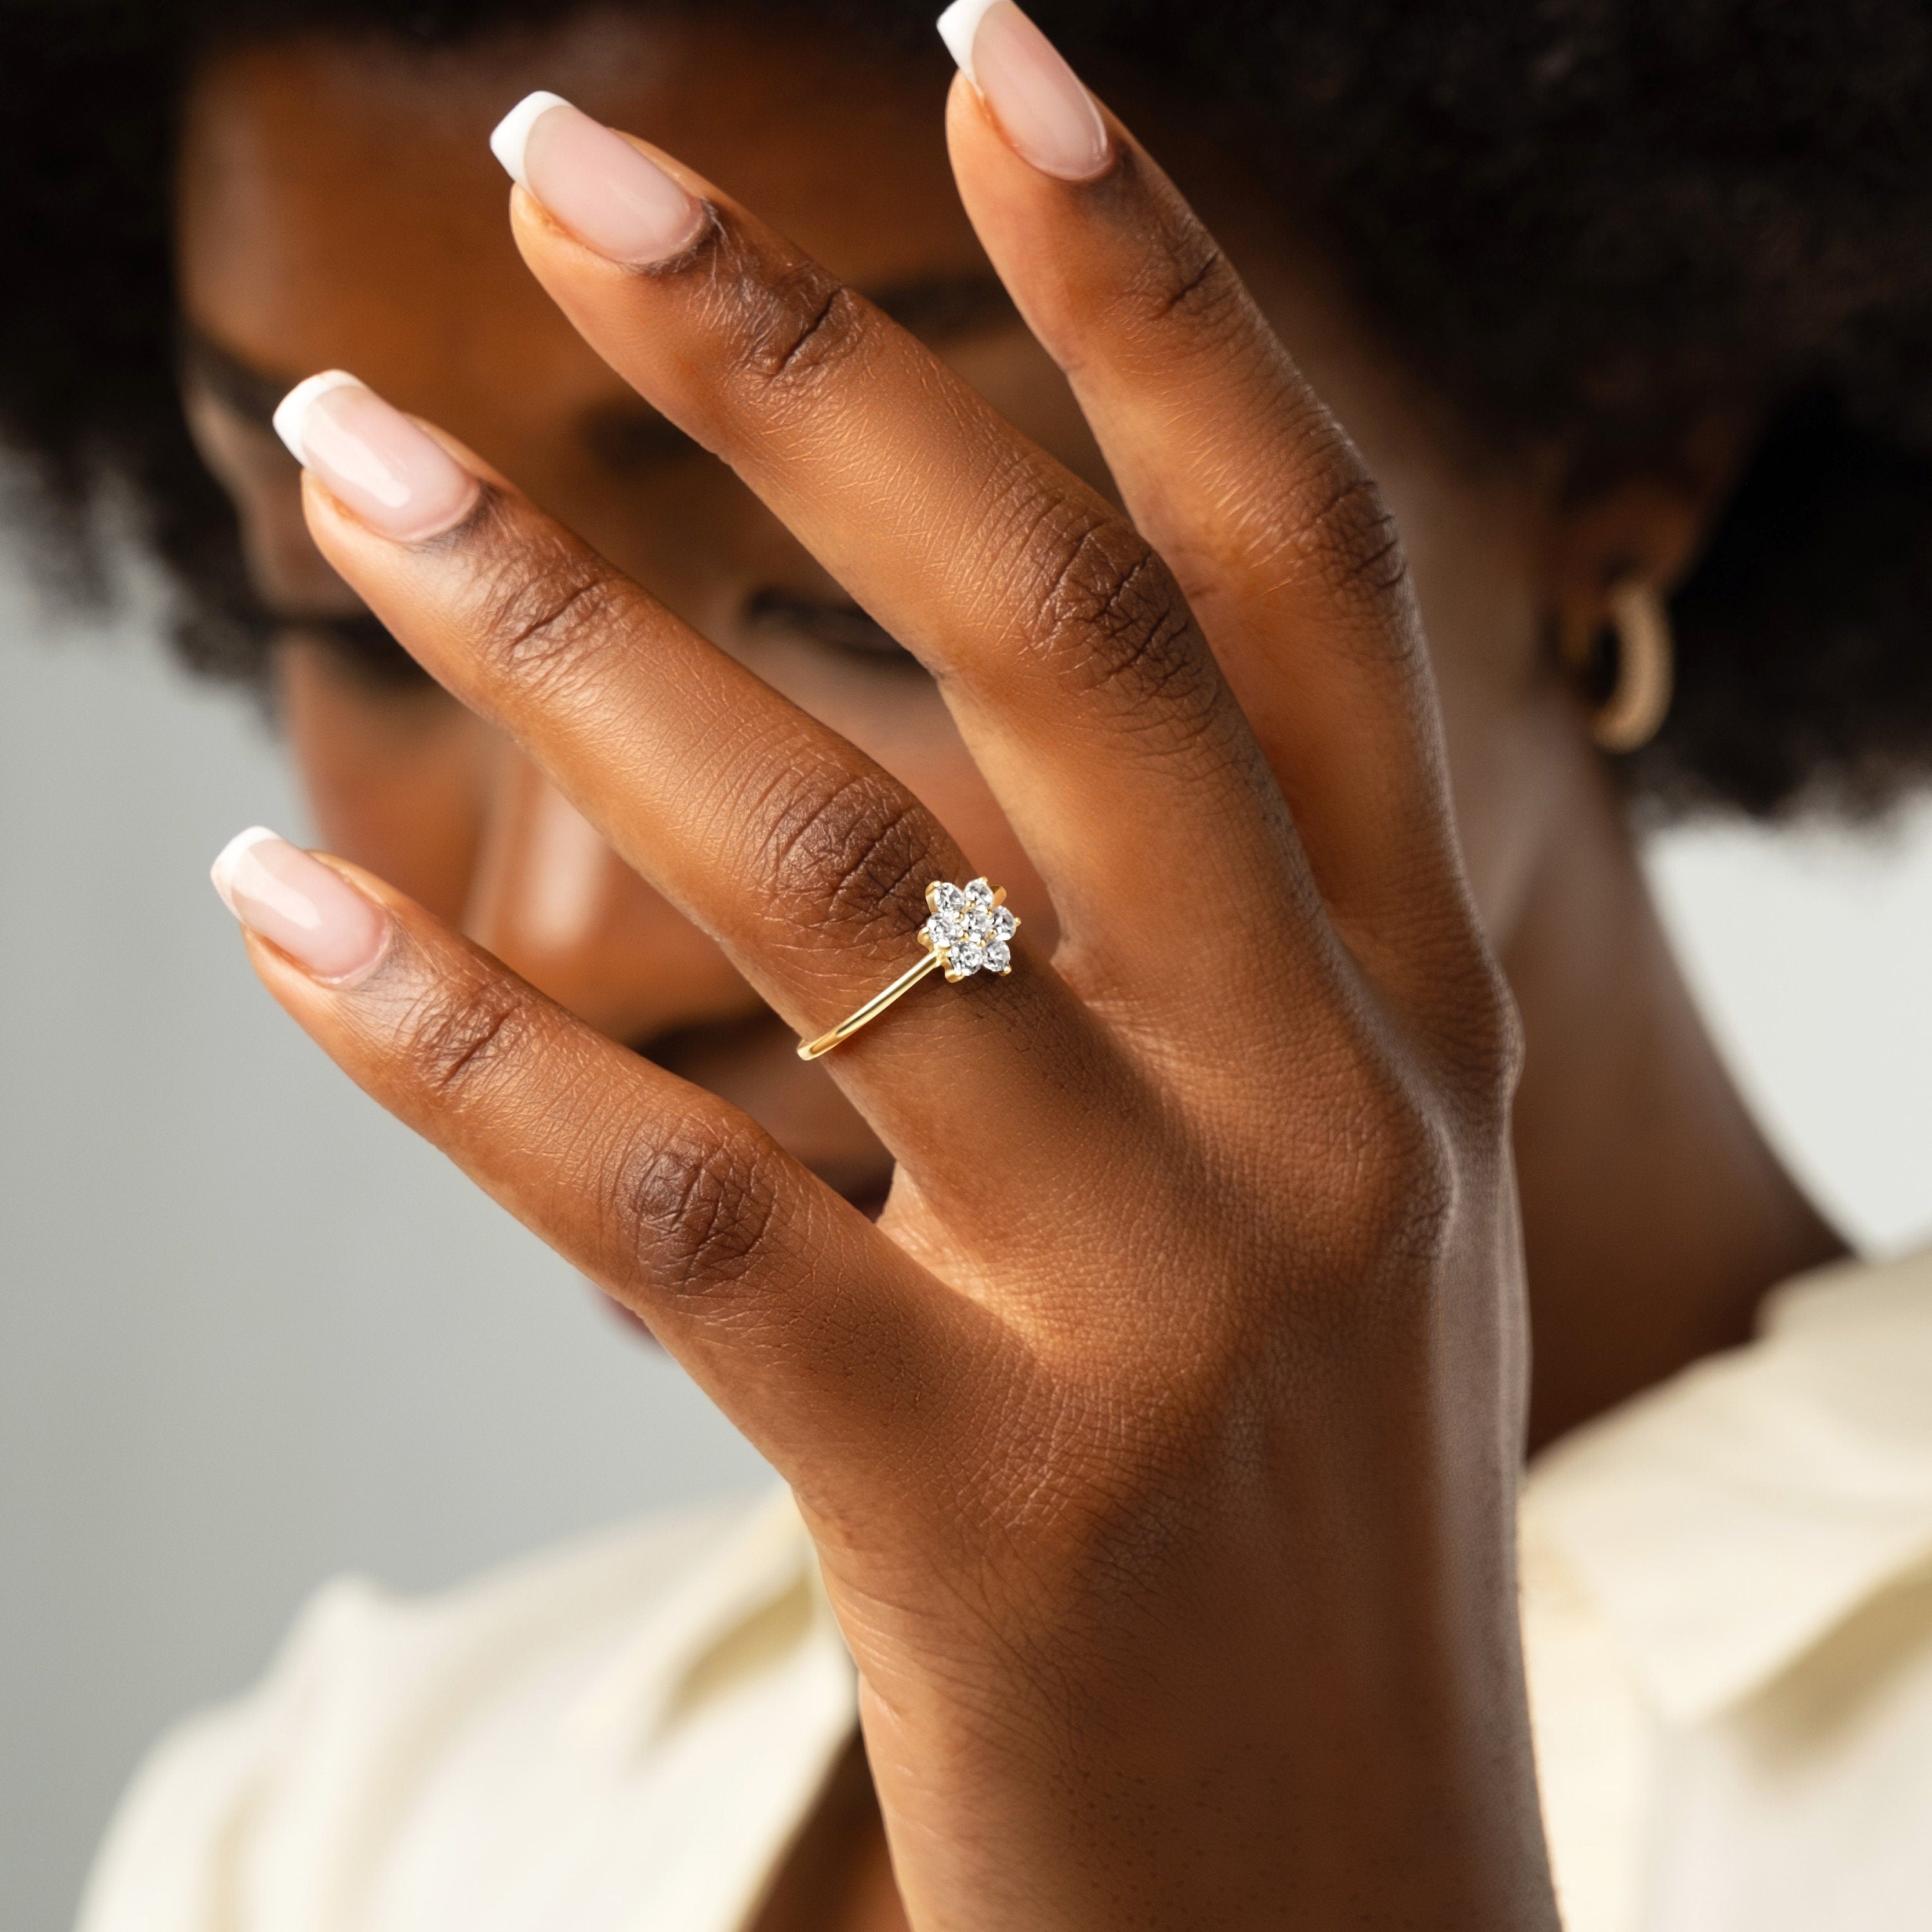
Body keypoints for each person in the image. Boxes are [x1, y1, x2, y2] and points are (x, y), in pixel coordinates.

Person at [3, 1, 1931, 1926]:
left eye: (860, 597)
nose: (561, 931)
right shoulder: (332, 1832)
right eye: (347, 612)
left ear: (1624, 438)